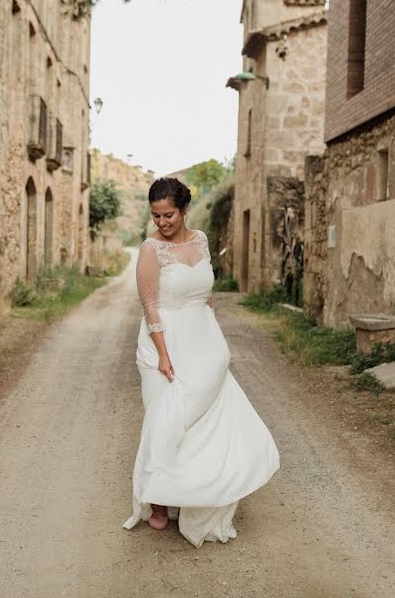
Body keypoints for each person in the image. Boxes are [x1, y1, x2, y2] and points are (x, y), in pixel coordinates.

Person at [122, 177, 280, 548]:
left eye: (169, 215)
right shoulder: (150, 250)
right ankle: (158, 502)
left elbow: (206, 295)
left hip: (202, 342)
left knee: (203, 424)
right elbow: (149, 307)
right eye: (156, 215)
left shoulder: (202, 241)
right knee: (165, 419)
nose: (162, 222)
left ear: (184, 209)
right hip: (162, 343)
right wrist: (163, 355)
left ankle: (195, 492)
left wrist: (216, 338)